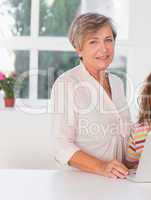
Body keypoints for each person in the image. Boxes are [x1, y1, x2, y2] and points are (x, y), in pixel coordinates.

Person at [50, 13, 131, 179]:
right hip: (81, 183)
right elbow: (60, 146)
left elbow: (124, 133)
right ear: (79, 49)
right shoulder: (68, 84)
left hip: (117, 181)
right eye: (93, 41)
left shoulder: (116, 83)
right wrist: (102, 167)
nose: (104, 49)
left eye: (108, 40)